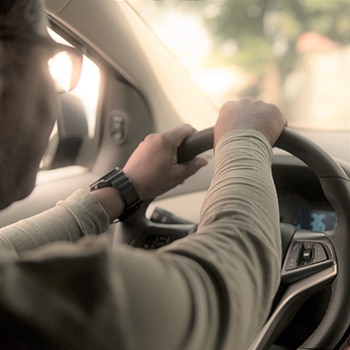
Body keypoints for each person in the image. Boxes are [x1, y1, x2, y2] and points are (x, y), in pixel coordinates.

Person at [0, 0, 287, 349]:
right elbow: (223, 287)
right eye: (51, 62)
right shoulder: (49, 307)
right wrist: (245, 140)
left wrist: (123, 190)